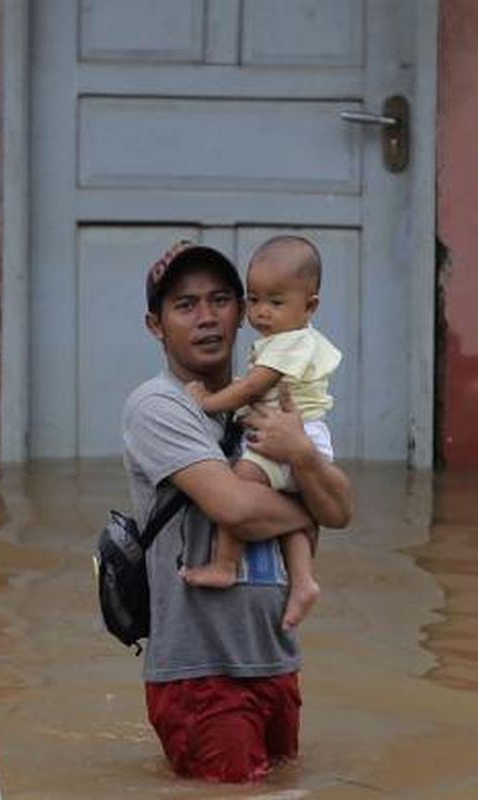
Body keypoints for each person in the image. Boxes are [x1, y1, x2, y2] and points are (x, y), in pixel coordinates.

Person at [123, 240, 353, 783]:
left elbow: (341, 511)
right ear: (156, 325)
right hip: (202, 673)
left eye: (220, 300)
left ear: (244, 311)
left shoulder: (269, 405)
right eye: (185, 305)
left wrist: (300, 454)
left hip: (275, 660)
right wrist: (304, 508)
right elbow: (238, 509)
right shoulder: (159, 406)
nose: (207, 318)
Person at [181, 235, 340, 630]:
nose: (262, 312)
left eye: (275, 302)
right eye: (253, 300)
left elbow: (252, 389)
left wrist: (206, 400)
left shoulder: (287, 345)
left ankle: (225, 564)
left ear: (311, 305)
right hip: (307, 439)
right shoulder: (295, 341)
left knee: (242, 480)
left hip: (285, 438)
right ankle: (302, 581)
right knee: (283, 499)